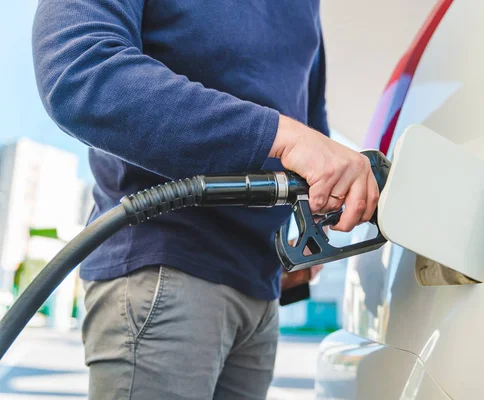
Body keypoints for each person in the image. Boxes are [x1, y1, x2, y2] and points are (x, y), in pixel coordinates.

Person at [32, 1, 379, 399]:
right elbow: (79, 71)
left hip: (261, 285)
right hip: (164, 266)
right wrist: (283, 138)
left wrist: (307, 216)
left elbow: (310, 123)